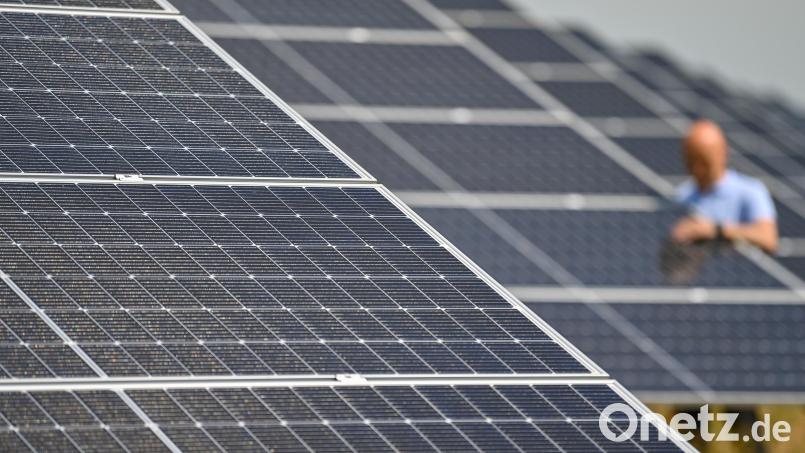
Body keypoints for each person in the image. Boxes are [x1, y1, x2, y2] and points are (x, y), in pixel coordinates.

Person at [660, 120, 778, 283]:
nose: (697, 168)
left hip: (740, 281)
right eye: (692, 160)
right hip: (697, 280)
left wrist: (715, 230)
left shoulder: (751, 192)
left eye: (704, 161)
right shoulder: (683, 195)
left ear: (723, 153)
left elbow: (768, 239)